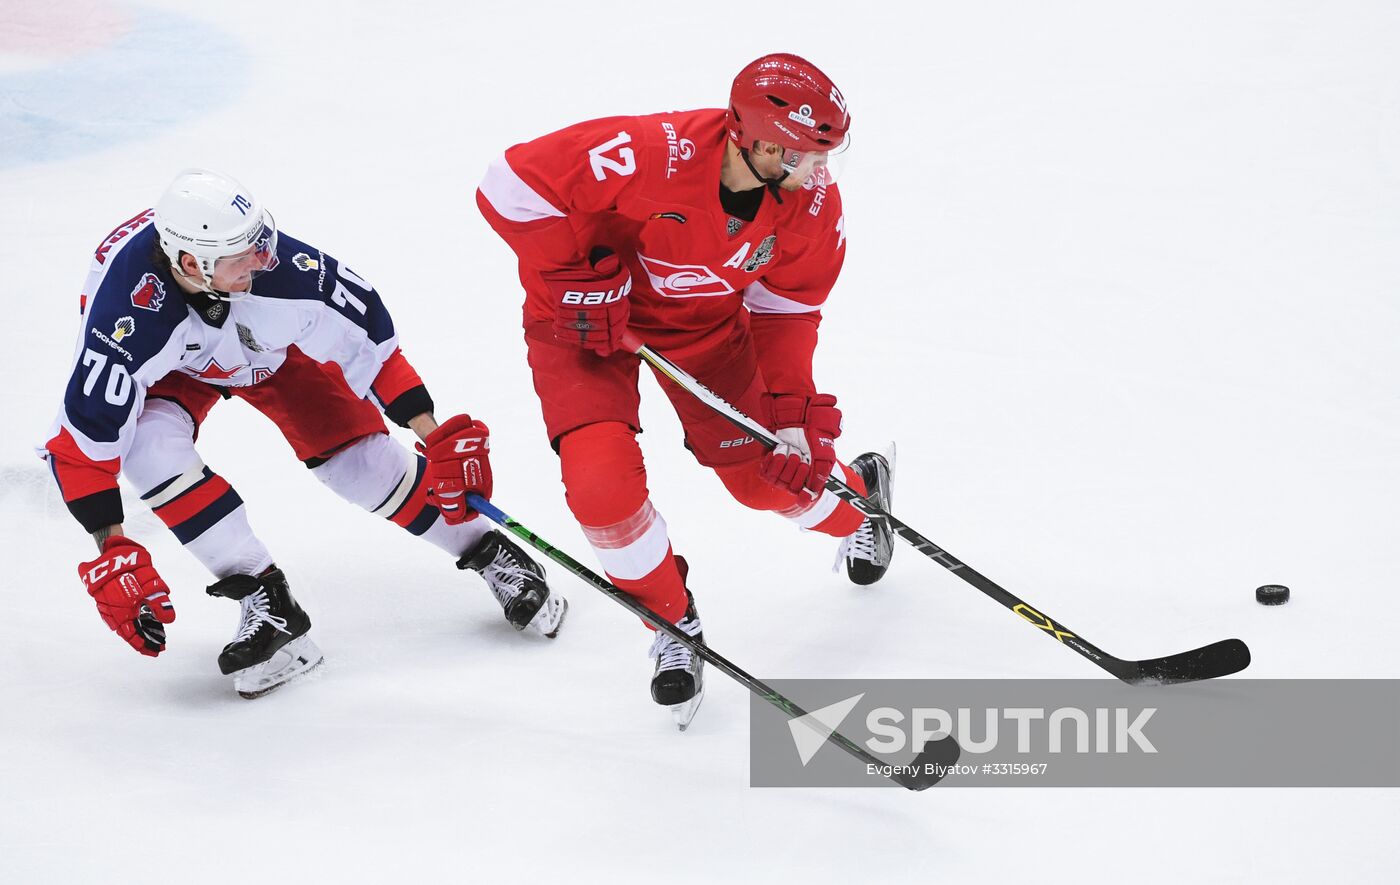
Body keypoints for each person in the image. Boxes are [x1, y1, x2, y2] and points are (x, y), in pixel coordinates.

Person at [476, 53, 894, 727]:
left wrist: (789, 411)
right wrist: (570, 277)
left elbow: (788, 308)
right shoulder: (650, 152)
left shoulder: (810, 205)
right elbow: (509, 186)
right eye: (809, 154)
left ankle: (862, 504)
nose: (822, 172)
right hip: (584, 326)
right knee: (600, 490)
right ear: (760, 143)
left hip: (706, 331)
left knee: (770, 480)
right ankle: (672, 622)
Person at [43, 168, 567, 698]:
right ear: (189, 263)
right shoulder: (126, 320)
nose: (262, 259)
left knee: (358, 464)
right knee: (148, 448)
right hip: (174, 366)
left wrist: (432, 434)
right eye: (240, 256)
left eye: (258, 242)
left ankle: (491, 550)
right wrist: (112, 549)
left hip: (268, 356)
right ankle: (269, 603)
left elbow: (373, 347)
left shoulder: (285, 272)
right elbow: (84, 443)